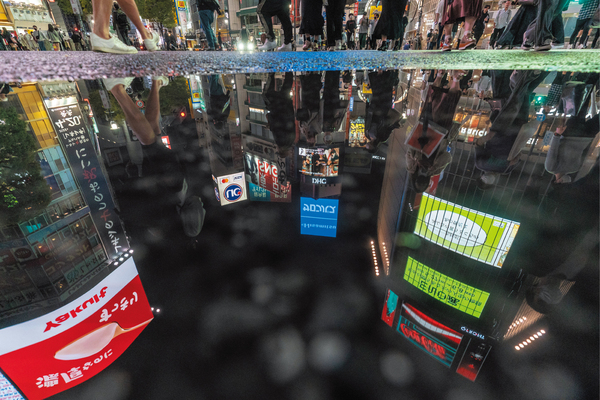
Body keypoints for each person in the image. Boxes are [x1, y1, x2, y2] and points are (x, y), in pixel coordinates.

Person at [104, 76, 205, 238]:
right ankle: (139, 87)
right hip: (163, 176)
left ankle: (127, 88)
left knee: (150, 133)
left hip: (171, 175)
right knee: (150, 134)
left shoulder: (177, 217)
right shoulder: (171, 224)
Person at [90, 0, 159, 53]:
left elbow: (115, 20)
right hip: (123, 27)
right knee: (124, 36)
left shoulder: (116, 13)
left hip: (121, 27)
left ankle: (101, 33)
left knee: (123, 36)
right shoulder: (119, 13)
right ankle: (102, 34)